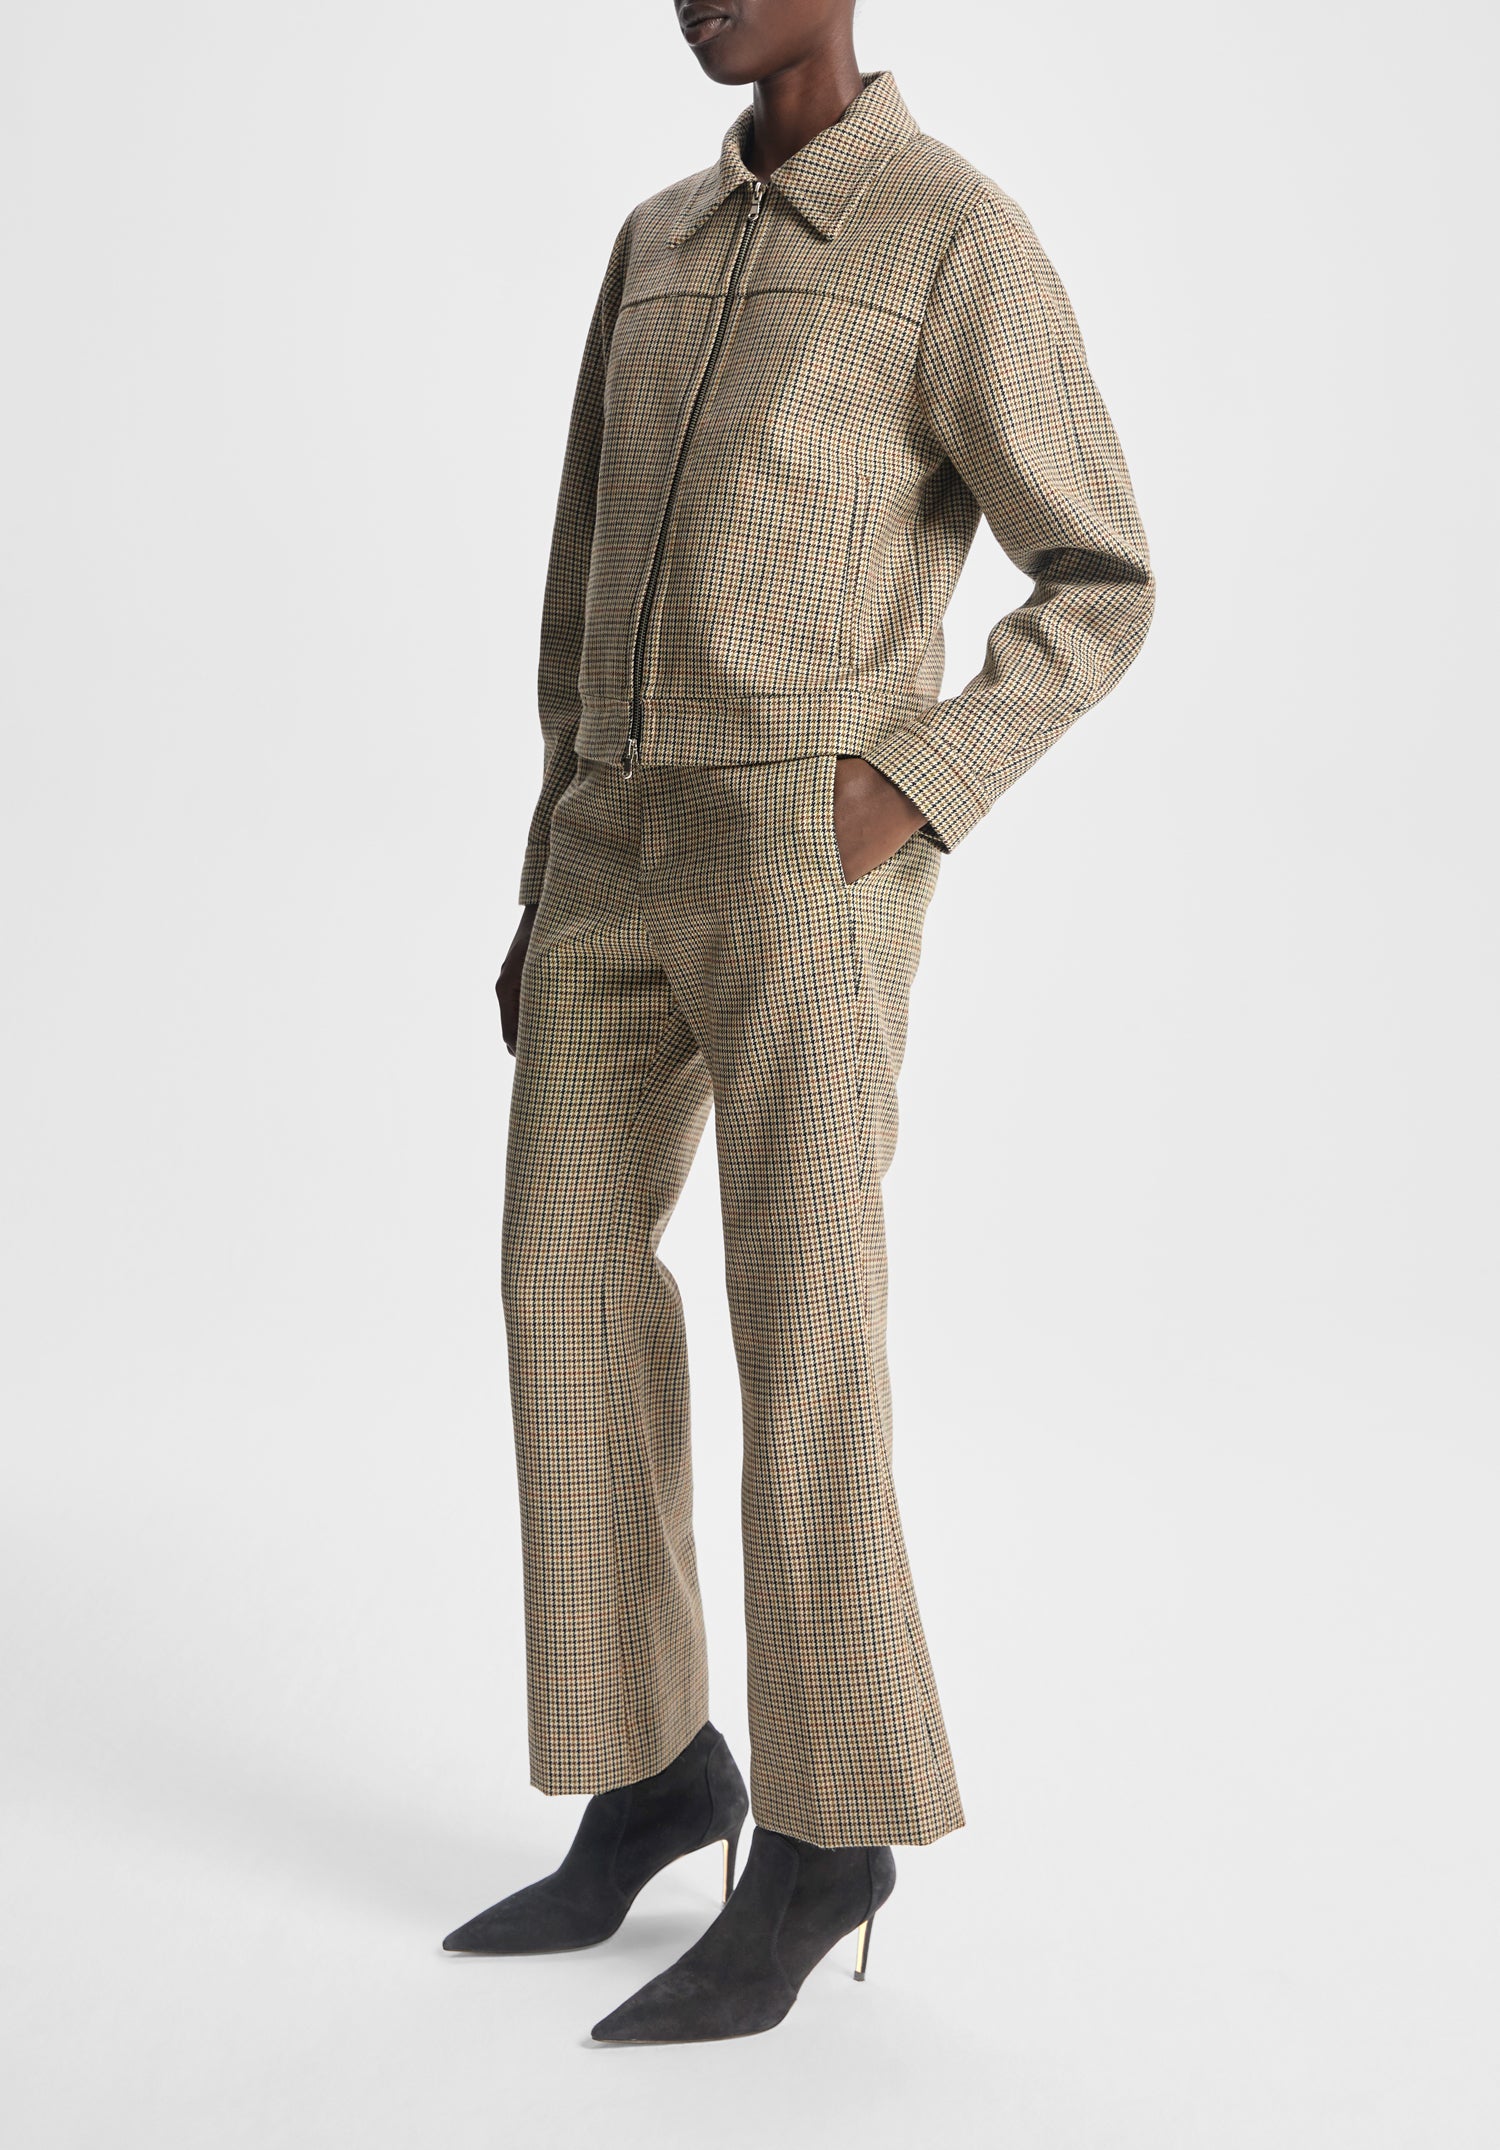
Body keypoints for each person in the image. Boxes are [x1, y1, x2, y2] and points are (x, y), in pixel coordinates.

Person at [444, 1, 1154, 2045]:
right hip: (608, 836)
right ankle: (651, 1767)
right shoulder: (655, 241)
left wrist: (907, 781)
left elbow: (1102, 578)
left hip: (802, 856)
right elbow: (576, 578)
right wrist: (543, 864)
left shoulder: (948, 234)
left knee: (806, 1316)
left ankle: (833, 1826)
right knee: (560, 1278)